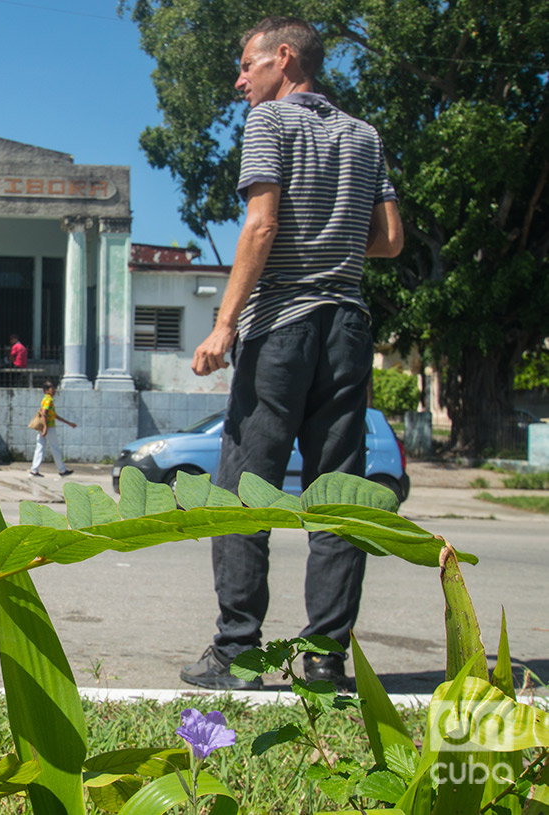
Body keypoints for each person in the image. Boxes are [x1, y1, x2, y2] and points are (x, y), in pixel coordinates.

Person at [181, 17, 403, 693]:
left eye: (247, 66)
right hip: (348, 331)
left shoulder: (270, 124)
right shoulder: (364, 136)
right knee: (337, 494)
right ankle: (326, 659)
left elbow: (263, 224)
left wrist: (223, 325)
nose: (240, 80)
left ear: (284, 60)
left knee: (243, 491)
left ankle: (237, 652)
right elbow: (390, 239)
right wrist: (331, 237)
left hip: (282, 327)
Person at [29, 381, 77, 477]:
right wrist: (46, 427)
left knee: (40, 447)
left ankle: (34, 470)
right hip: (49, 427)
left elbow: (53, 415)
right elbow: (44, 413)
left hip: (44, 427)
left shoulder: (45, 399)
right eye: (52, 389)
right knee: (55, 448)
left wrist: (68, 423)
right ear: (46, 390)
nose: (54, 391)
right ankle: (62, 470)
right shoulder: (48, 399)